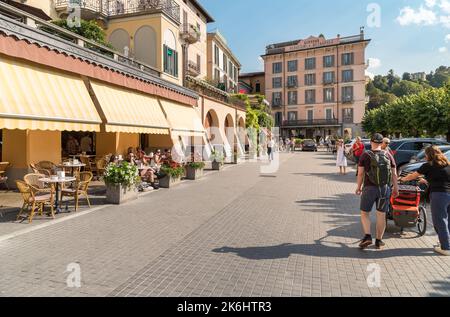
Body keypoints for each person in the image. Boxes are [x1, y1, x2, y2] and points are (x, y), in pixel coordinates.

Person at [399, 146, 450, 256]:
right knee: (448, 221)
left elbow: (413, 175)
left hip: (439, 195)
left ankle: (446, 248)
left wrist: (402, 179)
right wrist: (426, 180)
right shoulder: (447, 164)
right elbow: (441, 178)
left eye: (426, 154)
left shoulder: (428, 165)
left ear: (429, 155)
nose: (425, 157)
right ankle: (446, 243)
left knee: (440, 221)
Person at [356, 133, 399, 250]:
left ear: (371, 142)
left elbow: (360, 173)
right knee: (381, 214)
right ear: (382, 143)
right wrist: (396, 188)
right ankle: (379, 241)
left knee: (365, 213)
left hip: (369, 189)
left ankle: (367, 236)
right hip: (384, 189)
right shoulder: (388, 154)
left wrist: (358, 187)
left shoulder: (365, 155)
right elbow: (394, 174)